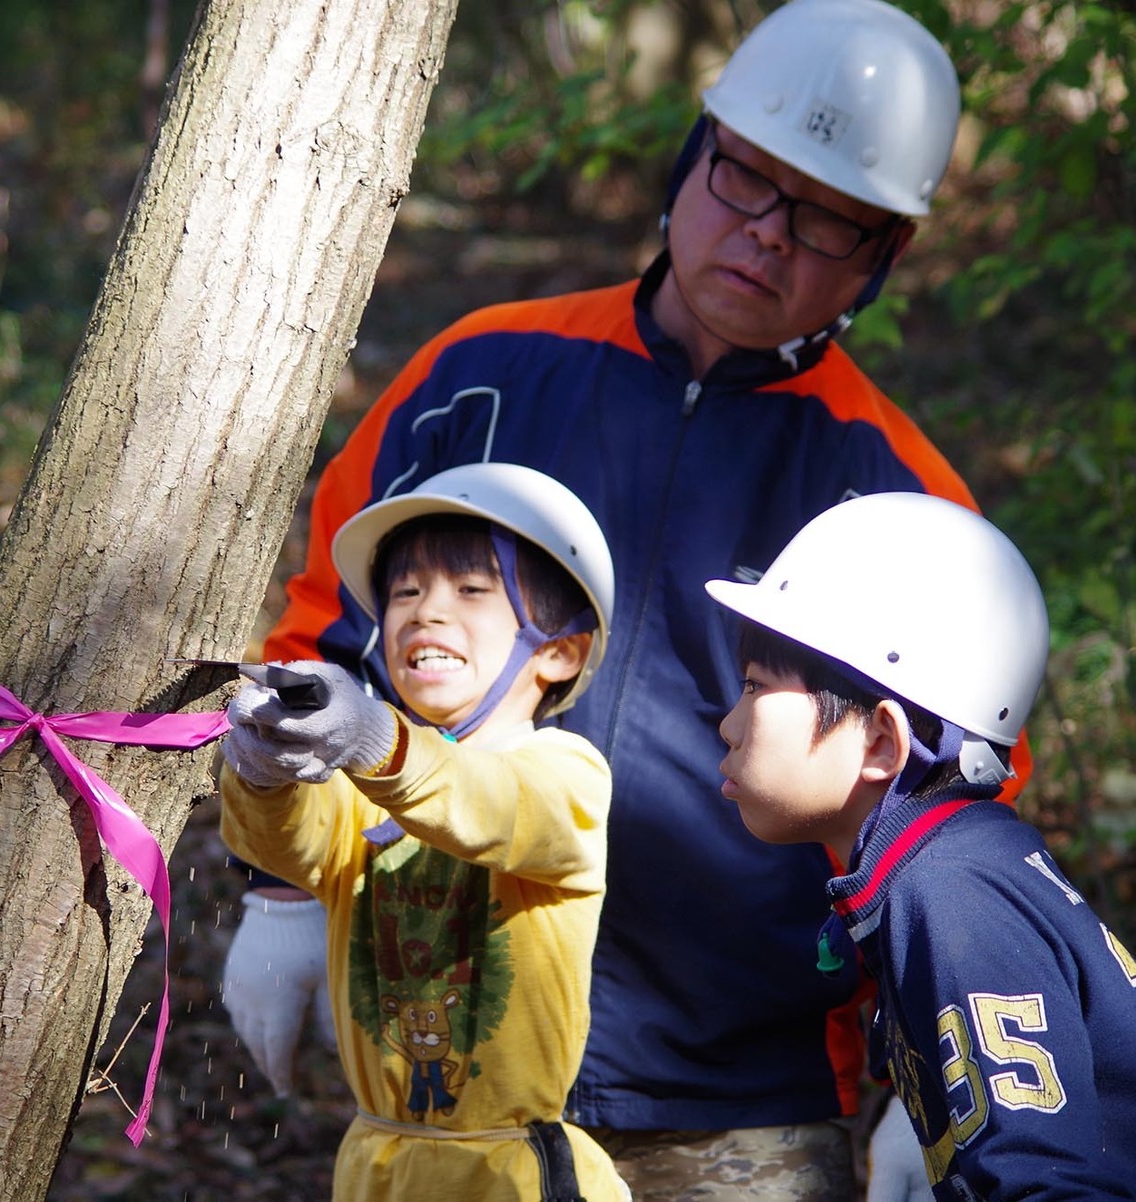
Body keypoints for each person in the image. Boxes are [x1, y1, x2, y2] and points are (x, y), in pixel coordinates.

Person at [225, 0, 1015, 1194]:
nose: (767, 238)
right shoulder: (480, 374)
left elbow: (948, 821)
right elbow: (329, 626)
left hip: (738, 1094)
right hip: (453, 1058)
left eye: (828, 223)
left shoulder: (895, 496)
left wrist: (932, 1078)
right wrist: (284, 893)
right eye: (745, 184)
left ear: (884, 255)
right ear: (691, 156)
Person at [706, 492, 1136, 1202]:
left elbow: (1041, 1187)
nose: (727, 724)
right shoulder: (957, 865)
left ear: (881, 741)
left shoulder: (949, 891)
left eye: (755, 688)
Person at [219, 462, 630, 1201]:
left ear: (558, 651)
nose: (426, 611)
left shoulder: (565, 772)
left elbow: (490, 805)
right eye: (405, 592)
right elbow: (286, 845)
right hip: (379, 1162)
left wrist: (377, 739)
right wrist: (263, 771)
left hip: (511, 1175)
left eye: (472, 591)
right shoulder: (366, 784)